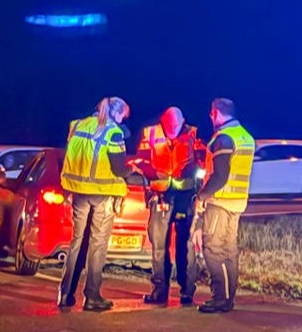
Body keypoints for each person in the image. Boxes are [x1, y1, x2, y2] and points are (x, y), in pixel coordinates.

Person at [59, 96, 136, 312]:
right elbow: (119, 169)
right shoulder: (113, 132)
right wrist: (132, 169)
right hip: (102, 193)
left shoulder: (78, 125)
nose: (122, 121)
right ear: (116, 113)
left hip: (79, 192)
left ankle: (65, 294)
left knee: (77, 242)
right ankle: (92, 296)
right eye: (123, 117)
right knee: (98, 244)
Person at [136, 106, 206, 305]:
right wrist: (153, 174)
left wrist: (193, 174)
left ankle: (187, 292)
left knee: (186, 244)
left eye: (177, 124)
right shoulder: (150, 133)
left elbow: (203, 161)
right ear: (162, 121)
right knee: (158, 244)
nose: (173, 128)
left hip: (185, 195)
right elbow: (141, 161)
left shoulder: (193, 134)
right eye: (169, 125)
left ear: (183, 121)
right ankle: (159, 290)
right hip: (160, 195)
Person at [194, 97, 254, 314]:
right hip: (237, 201)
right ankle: (227, 298)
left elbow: (220, 176)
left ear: (216, 113)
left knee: (213, 250)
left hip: (220, 201)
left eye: (212, 114)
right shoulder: (245, 136)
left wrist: (202, 196)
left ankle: (220, 298)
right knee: (229, 251)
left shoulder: (224, 137)